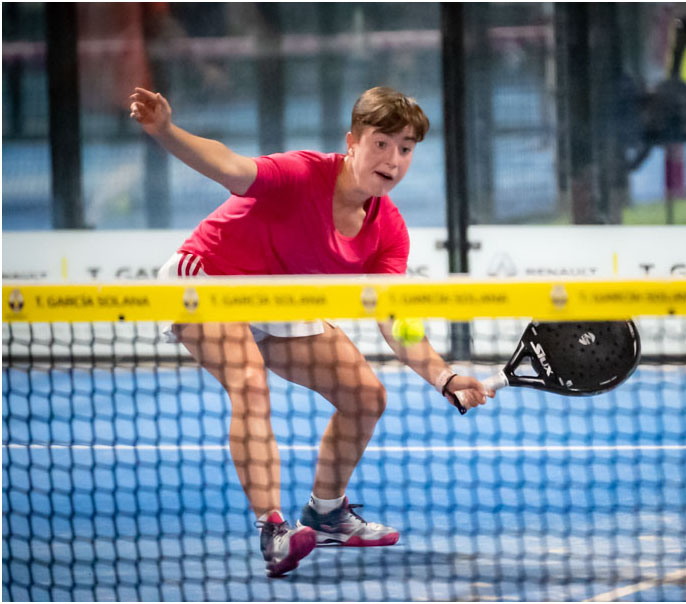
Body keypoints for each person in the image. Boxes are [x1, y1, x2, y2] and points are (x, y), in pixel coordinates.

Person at [129, 85, 491, 578]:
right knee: (249, 382)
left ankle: (326, 514)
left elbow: (395, 318)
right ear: (352, 142)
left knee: (366, 396)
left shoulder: (388, 230)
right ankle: (273, 530)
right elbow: (229, 166)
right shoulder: (301, 174)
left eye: (405, 148)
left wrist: (444, 376)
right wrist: (166, 131)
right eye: (381, 143)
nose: (393, 159)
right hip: (209, 279)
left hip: (280, 297)